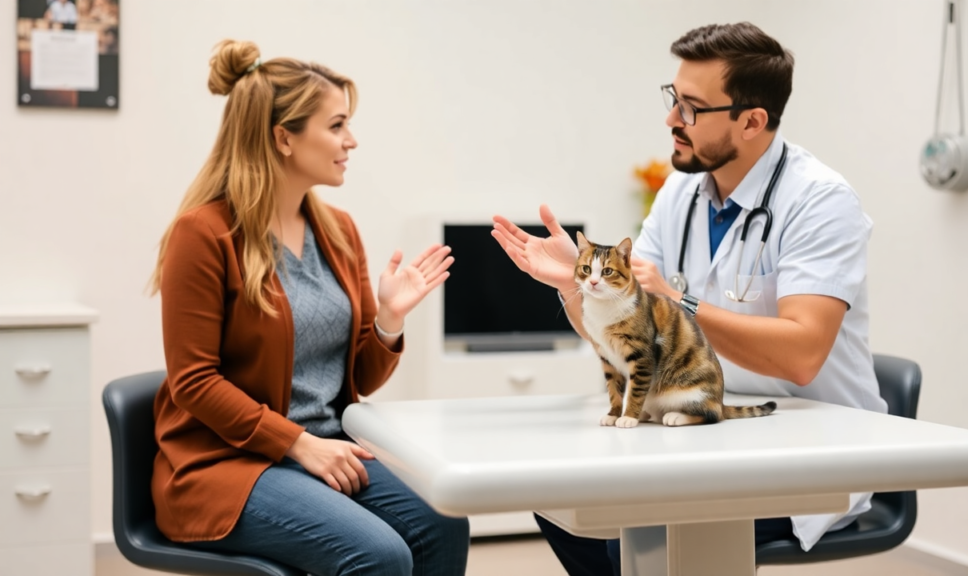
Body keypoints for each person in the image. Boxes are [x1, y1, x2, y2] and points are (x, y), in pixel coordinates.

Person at [491, 22, 887, 575]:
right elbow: (631, 330)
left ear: (752, 121)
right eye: (674, 100)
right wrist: (574, 285)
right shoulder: (681, 191)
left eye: (692, 108)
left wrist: (680, 303)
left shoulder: (820, 202)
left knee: (638, 538)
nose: (672, 120)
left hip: (809, 447)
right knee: (558, 504)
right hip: (699, 428)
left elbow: (801, 355)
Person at [149, 39, 469, 576]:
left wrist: (389, 320)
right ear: (284, 138)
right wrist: (297, 443)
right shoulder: (202, 233)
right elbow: (193, 382)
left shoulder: (337, 231)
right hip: (226, 464)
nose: (352, 140)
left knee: (442, 525)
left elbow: (357, 379)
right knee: (380, 554)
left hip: (324, 448)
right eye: (337, 125)